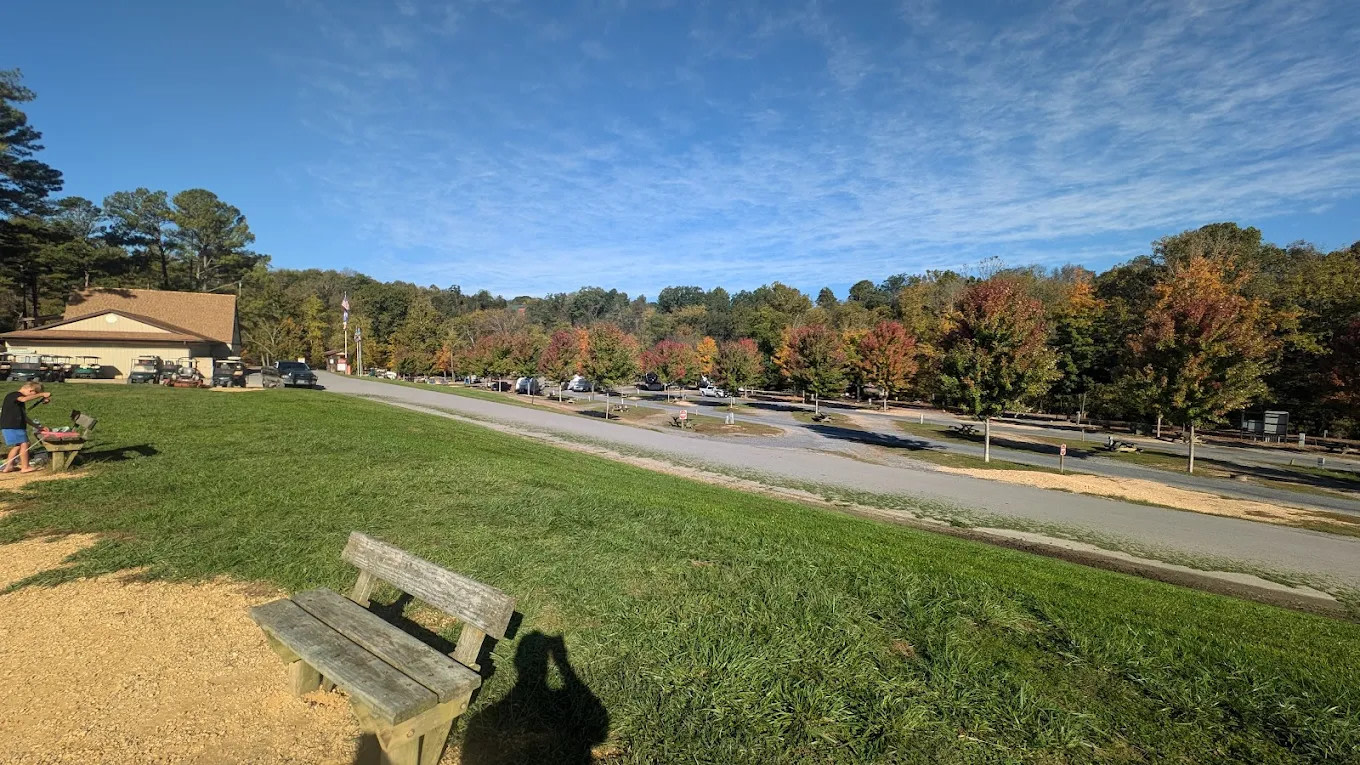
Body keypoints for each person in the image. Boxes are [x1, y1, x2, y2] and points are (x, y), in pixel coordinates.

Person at [2, 381, 51, 473]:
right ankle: (25, 467)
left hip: (11, 425)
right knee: (25, 444)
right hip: (14, 425)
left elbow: (24, 417)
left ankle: (8, 466)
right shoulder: (15, 395)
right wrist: (41, 394)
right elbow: (24, 399)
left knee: (18, 446)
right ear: (31, 390)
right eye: (35, 394)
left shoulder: (17, 401)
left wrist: (38, 426)